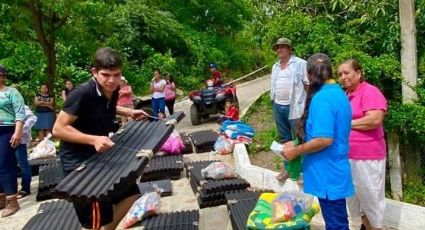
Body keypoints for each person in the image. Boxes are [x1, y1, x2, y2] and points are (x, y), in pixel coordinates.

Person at [52, 47, 148, 229]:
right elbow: (58, 129)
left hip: (101, 156)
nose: (111, 80)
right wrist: (94, 140)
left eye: (116, 74)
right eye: (106, 75)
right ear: (94, 72)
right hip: (79, 162)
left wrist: (129, 111)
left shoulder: (113, 89)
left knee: (131, 194)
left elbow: (104, 107)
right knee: (95, 219)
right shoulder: (82, 94)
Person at [282, 53, 354, 230]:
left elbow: (324, 139)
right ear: (330, 71)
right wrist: (297, 144)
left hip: (327, 173)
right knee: (337, 221)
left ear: (309, 74)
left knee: (336, 225)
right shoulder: (338, 93)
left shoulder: (322, 98)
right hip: (333, 170)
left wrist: (296, 151)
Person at [338, 59, 388, 230]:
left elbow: (375, 119)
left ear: (358, 73)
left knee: (371, 202)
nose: (343, 77)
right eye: (340, 74)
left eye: (347, 72)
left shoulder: (370, 92)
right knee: (358, 206)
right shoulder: (346, 95)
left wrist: (347, 123)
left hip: (367, 158)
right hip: (349, 157)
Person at [270, 37, 309, 181]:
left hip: (296, 109)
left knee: (299, 140)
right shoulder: (275, 67)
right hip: (278, 106)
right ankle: (288, 170)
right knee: (284, 140)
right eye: (277, 47)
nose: (279, 49)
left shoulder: (300, 64)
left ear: (289, 49)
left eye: (282, 47)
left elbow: (307, 84)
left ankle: (302, 173)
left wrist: (308, 106)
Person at [0, 64, 25, 217]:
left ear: (2, 76)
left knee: (5, 164)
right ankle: (1, 198)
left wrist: (18, 132)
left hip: (7, 130)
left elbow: (20, 113)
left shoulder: (11, 92)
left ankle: (12, 200)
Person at [15, 105, 37, 199]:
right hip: (4, 139)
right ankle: (11, 189)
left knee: (22, 163)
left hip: (19, 140)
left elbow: (33, 118)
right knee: (8, 166)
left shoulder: (19, 105)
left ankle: (25, 188)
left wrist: (20, 130)